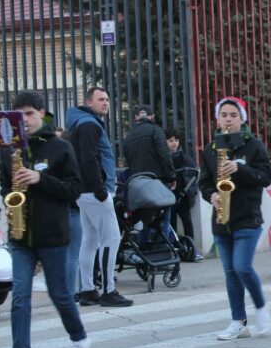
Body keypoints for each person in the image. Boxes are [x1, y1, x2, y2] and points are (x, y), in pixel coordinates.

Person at [0, 91, 89, 348]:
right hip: (21, 235)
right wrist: (10, 196)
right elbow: (4, 186)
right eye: (19, 115)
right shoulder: (10, 150)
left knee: (60, 294)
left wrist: (40, 179)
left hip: (52, 233)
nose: (24, 120)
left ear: (41, 113)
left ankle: (79, 339)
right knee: (20, 296)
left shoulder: (59, 147)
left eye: (29, 114)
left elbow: (73, 189)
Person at [199, 97, 271, 341]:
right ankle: (237, 322)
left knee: (242, 267)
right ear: (217, 120)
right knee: (231, 272)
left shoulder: (253, 146)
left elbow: (265, 177)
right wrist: (211, 195)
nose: (228, 120)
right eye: (224, 115)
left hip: (247, 218)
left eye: (233, 115)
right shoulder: (211, 149)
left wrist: (239, 168)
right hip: (222, 220)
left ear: (242, 119)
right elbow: (204, 182)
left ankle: (261, 308)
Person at [66, 87, 131, 307]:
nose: (105, 103)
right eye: (100, 99)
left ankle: (87, 290)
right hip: (94, 191)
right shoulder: (89, 124)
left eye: (107, 99)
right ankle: (107, 291)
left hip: (84, 191)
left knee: (90, 241)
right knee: (111, 238)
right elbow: (89, 159)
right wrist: (100, 190)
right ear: (89, 102)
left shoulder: (81, 122)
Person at [123, 104, 176, 246]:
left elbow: (129, 161)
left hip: (138, 186)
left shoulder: (129, 136)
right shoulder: (156, 130)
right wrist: (171, 177)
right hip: (157, 182)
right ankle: (162, 250)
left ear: (136, 118)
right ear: (152, 117)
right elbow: (165, 156)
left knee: (143, 218)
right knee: (163, 218)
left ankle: (144, 250)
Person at [164, 127, 203, 261]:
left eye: (175, 140)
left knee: (187, 222)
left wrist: (189, 191)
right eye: (170, 141)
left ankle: (192, 249)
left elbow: (193, 174)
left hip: (183, 196)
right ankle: (174, 250)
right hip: (169, 197)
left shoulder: (184, 158)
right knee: (171, 224)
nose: (174, 143)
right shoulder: (164, 159)